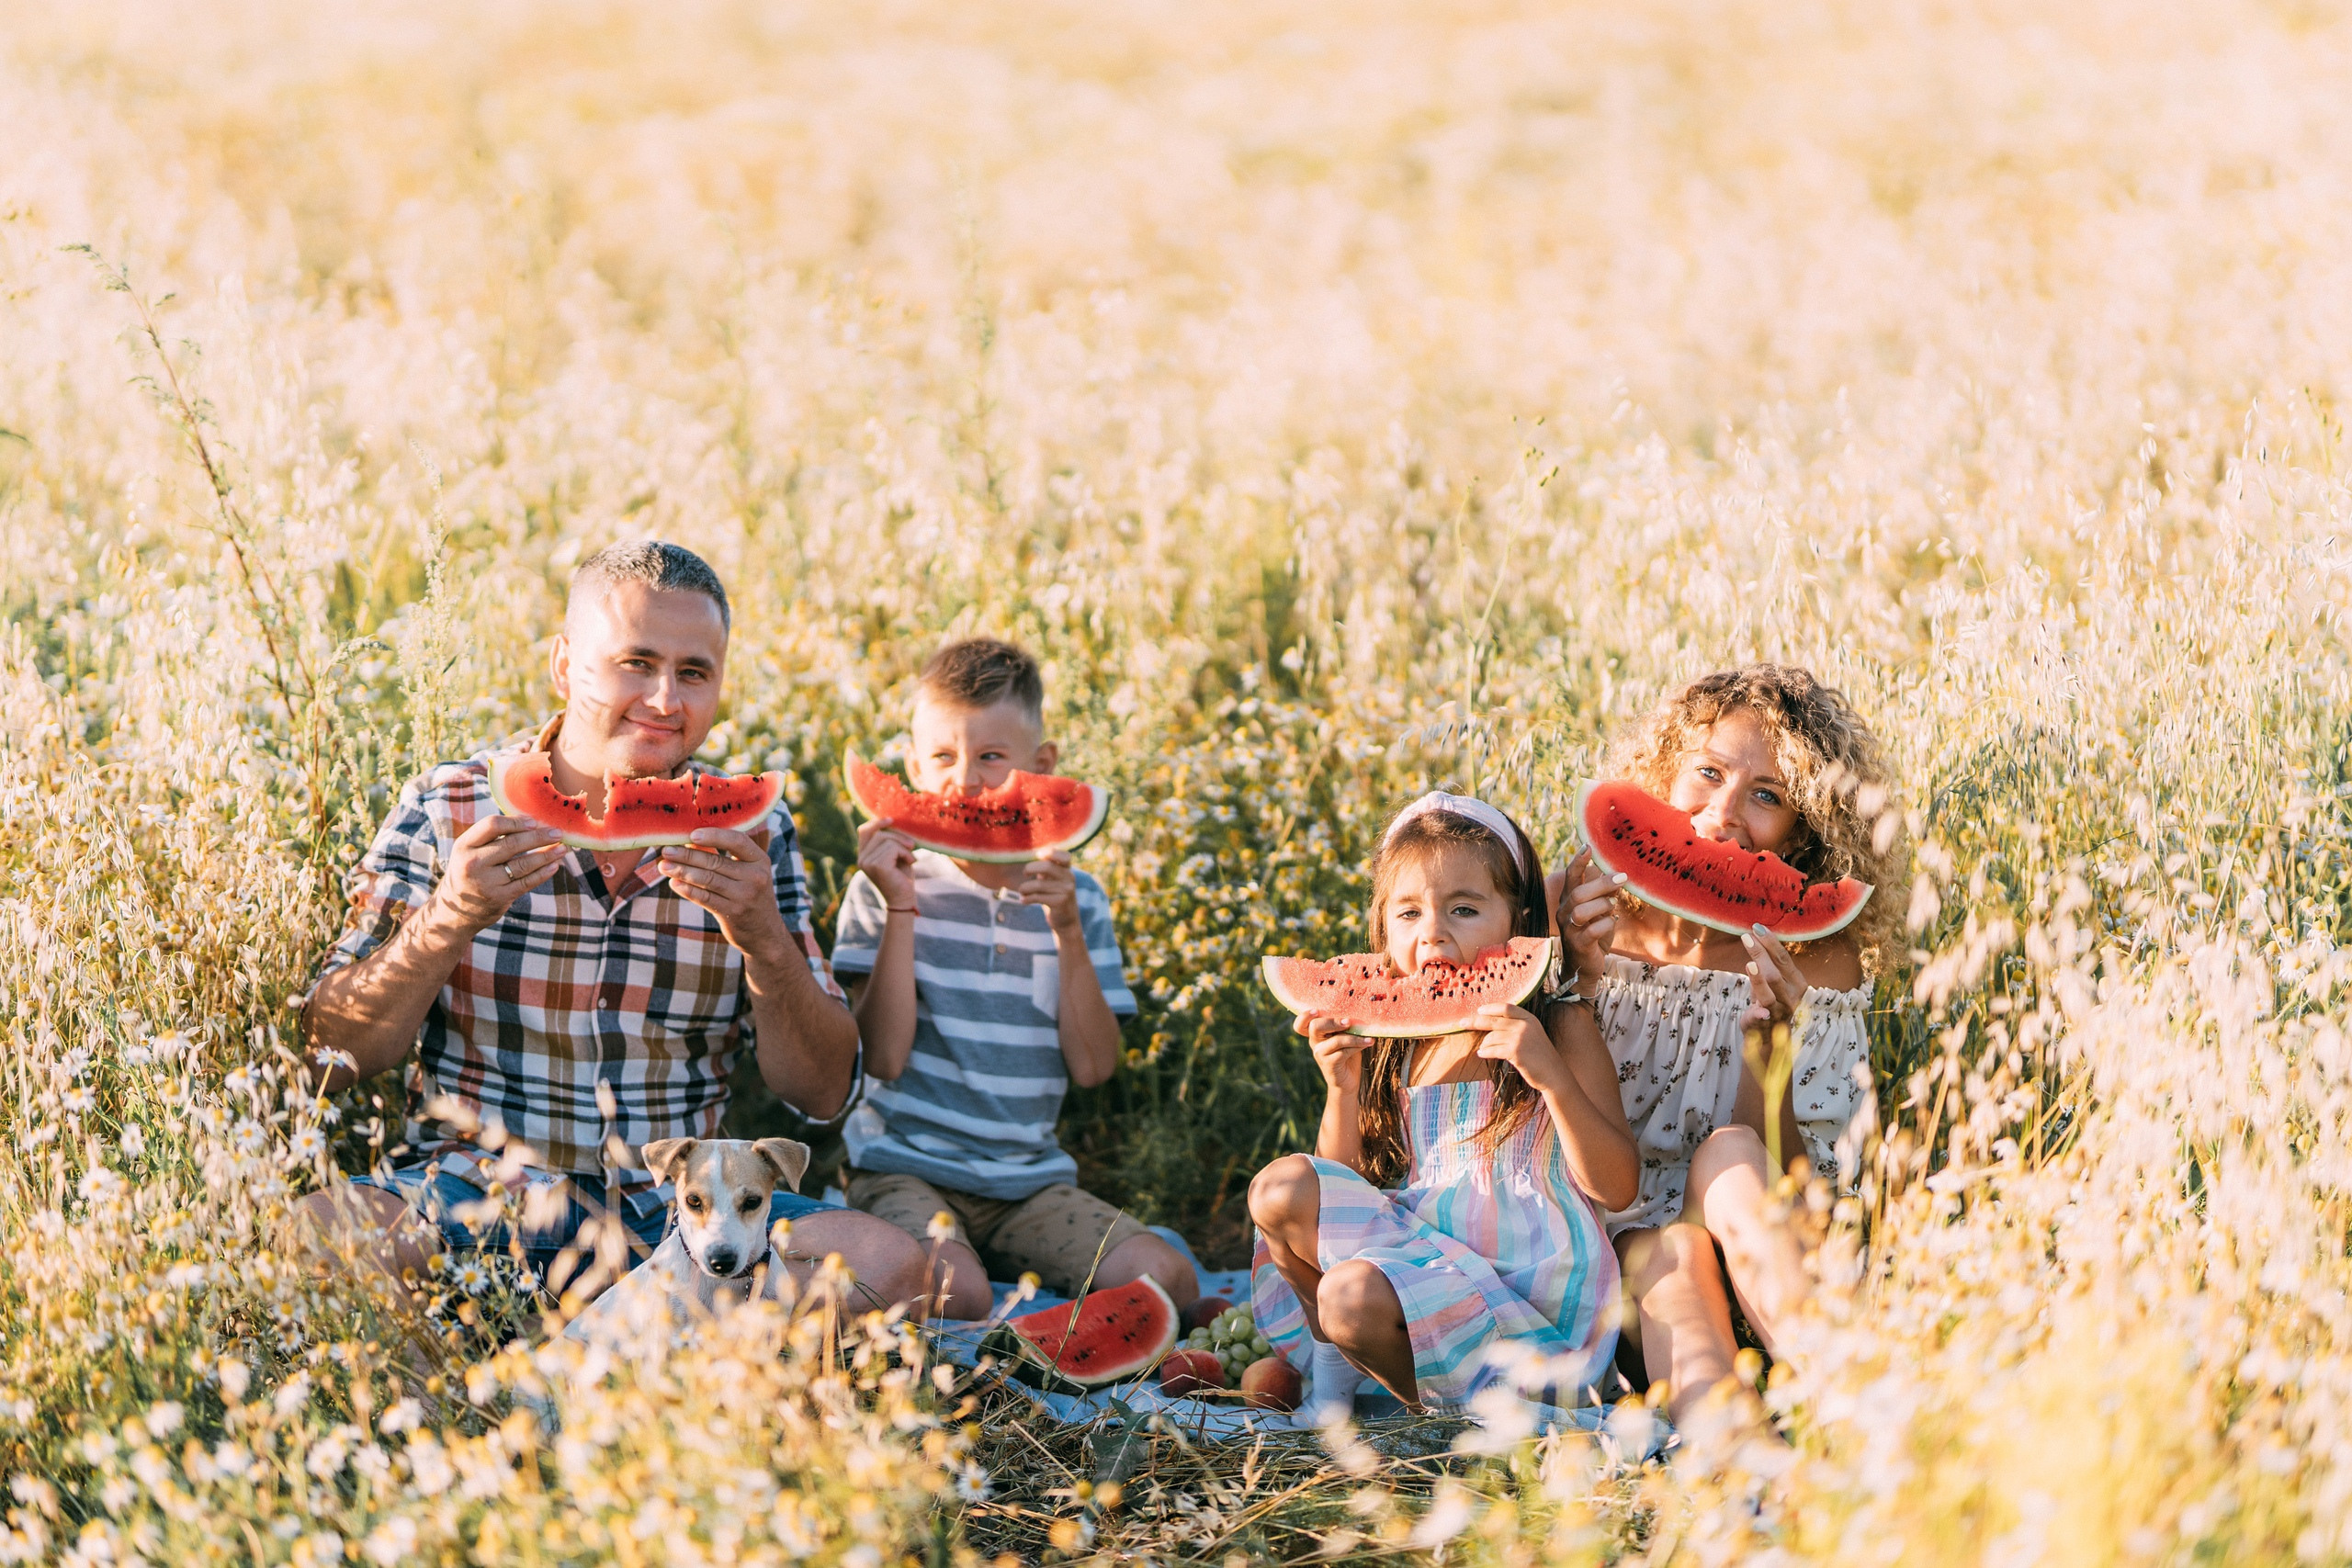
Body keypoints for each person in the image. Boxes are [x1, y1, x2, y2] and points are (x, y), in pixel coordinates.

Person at [288, 540, 928, 1319]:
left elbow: (824, 1093)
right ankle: (537, 1391)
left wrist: (765, 940)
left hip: (687, 1215)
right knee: (313, 1238)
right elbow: (330, 1057)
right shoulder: (449, 806)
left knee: (893, 1266)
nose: (664, 698)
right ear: (565, 665)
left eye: (694, 672)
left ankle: (585, 1361)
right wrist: (446, 919)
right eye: (635, 662)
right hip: (478, 1191)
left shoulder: (753, 832)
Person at [1551, 663, 1908, 1422]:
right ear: (1661, 771)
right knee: (1665, 1249)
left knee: (1729, 1152)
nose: (1721, 815)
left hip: (1777, 1267)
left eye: (1767, 796)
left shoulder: (1818, 960)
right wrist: (1575, 980)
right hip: (1626, 1276)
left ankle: (1856, 1404)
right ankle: (1739, 1456)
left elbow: (1808, 1193)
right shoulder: (1583, 914)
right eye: (1706, 773)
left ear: (1805, 831)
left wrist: (1770, 1049)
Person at [831, 637, 1197, 1319]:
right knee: (954, 1291)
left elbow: (1093, 1067)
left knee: (1165, 1277)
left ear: (1044, 766)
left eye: (991, 757)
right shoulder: (881, 889)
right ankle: (985, 1286)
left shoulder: (1078, 898)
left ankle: (1039, 1333)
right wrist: (901, 906)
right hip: (904, 1169)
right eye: (942, 757)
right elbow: (880, 1055)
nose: (964, 782)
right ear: (911, 767)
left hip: (1029, 1185)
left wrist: (1066, 932)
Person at [1247, 795, 1638, 1414]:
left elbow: (1617, 1186)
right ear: (1382, 931)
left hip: (1524, 1295)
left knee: (1351, 1295)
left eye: (1464, 908)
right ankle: (1335, 1381)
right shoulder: (1394, 1045)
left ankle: (1455, 1414)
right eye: (1408, 912)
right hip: (1415, 1265)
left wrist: (1551, 1080)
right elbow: (1341, 1193)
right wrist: (1343, 1087)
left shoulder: (1561, 1027)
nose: (1433, 931)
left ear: (1520, 921)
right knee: (1280, 1188)